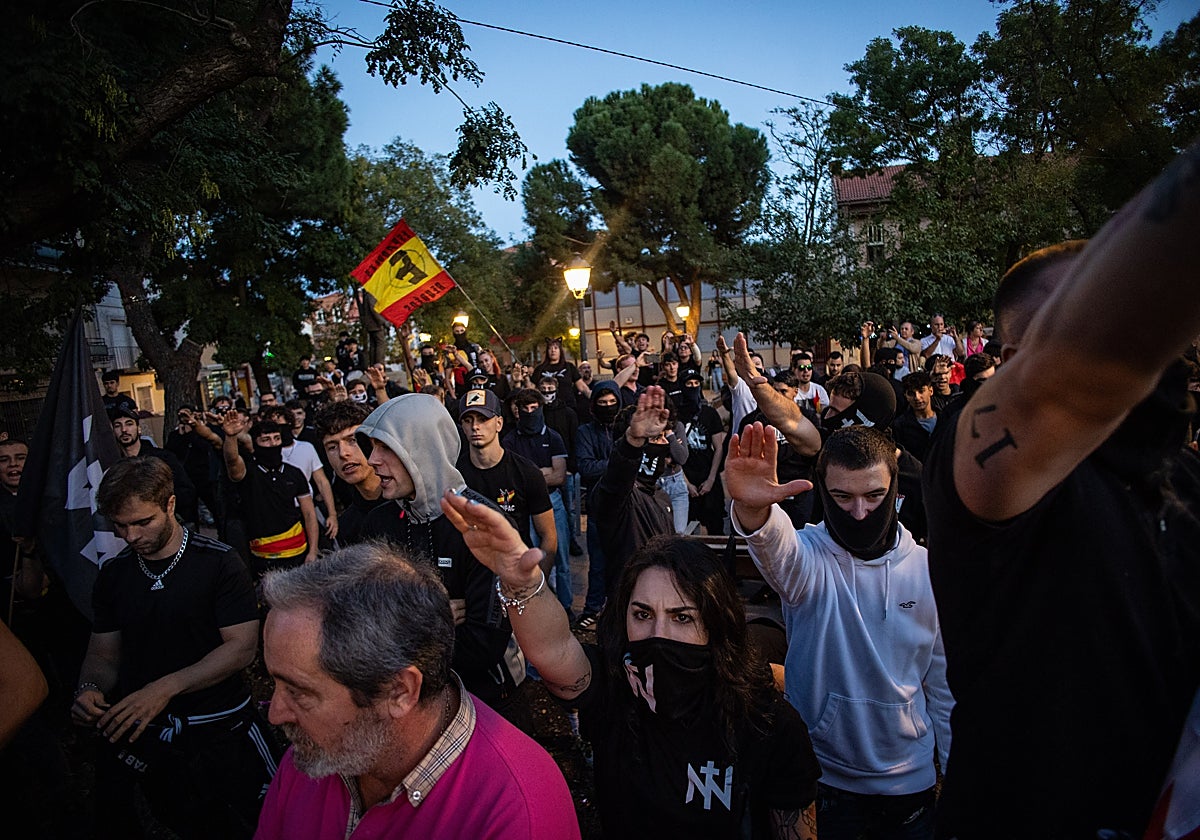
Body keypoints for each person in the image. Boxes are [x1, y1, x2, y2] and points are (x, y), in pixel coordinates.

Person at [922, 144, 1200, 837]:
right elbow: (1077, 376)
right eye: (1073, 314)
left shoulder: (1183, 475)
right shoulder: (981, 452)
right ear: (1012, 360)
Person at [441, 489, 822, 840]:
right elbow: (554, 651)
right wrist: (520, 583)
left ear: (715, 622)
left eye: (682, 617)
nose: (659, 633)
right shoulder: (615, 685)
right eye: (642, 614)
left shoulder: (767, 724)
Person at [254, 541, 580, 840]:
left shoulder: (518, 814)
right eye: (276, 683)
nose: (275, 712)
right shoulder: (318, 753)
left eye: (299, 693)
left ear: (400, 691)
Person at [726, 424, 952, 839]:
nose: (860, 513)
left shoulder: (928, 570)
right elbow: (780, 553)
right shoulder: (810, 558)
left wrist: (957, 779)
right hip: (824, 782)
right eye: (843, 497)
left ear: (895, 489)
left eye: (874, 496)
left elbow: (942, 686)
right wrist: (755, 513)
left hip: (911, 786)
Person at [74, 457, 279, 839]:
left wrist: (165, 688)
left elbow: (240, 648)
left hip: (222, 728)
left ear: (169, 505)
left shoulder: (218, 563)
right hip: (153, 737)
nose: (131, 536)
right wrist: (90, 690)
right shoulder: (114, 576)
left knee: (264, 823)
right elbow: (103, 654)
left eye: (142, 522)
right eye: (120, 526)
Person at [357, 393, 519, 708]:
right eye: (373, 447)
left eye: (387, 447)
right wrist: (430, 616)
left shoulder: (483, 522)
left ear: (423, 450)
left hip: (486, 696)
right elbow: (363, 617)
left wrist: (395, 625)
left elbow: (484, 643)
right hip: (410, 700)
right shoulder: (378, 523)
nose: (372, 460)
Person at [456, 388, 557, 571]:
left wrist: (536, 586)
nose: (475, 426)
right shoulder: (454, 475)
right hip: (470, 574)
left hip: (515, 569)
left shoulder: (526, 472)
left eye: (483, 419)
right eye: (468, 420)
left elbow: (549, 537)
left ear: (499, 423)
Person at [221, 413, 319, 575]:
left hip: (298, 552)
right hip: (262, 557)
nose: (273, 444)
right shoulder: (248, 472)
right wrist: (230, 437)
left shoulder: (294, 473)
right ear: (256, 443)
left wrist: (313, 551)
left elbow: (309, 513)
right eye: (266, 440)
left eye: (276, 438)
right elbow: (232, 462)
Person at [575, 381, 622, 627]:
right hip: (598, 504)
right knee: (598, 563)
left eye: (612, 403)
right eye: (602, 403)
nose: (608, 407)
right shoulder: (585, 432)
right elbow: (585, 466)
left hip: (625, 506)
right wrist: (617, 462)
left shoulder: (625, 427)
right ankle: (593, 607)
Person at [314, 401, 387, 547]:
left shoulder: (411, 506)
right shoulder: (347, 526)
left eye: (352, 440)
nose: (343, 453)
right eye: (332, 447)